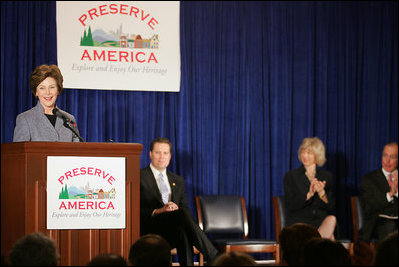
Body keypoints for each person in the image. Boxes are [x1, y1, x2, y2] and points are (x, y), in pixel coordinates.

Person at [140, 137, 219, 266]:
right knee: (182, 216)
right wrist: (160, 210)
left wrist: (174, 210)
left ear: (170, 156)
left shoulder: (178, 180)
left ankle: (208, 257)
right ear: (150, 154)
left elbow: (185, 208)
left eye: (165, 153)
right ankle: (213, 256)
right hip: (151, 228)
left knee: (183, 226)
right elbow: (134, 209)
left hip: (173, 229)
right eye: (157, 152)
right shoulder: (139, 176)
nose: (161, 157)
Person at [283, 137, 337, 240]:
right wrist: (309, 194)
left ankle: (315, 246)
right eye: (303, 152)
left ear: (317, 155)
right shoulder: (291, 176)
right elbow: (290, 205)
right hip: (300, 222)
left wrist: (322, 193)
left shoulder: (327, 177)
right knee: (330, 238)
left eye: (309, 153)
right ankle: (317, 246)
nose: (305, 156)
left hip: (320, 221)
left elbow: (331, 206)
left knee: (331, 219)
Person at [13, 64, 82, 142]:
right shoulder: (25, 119)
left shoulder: (69, 119)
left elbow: (77, 151)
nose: (48, 92)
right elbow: (20, 152)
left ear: (58, 90)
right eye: (42, 88)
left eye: (52, 87)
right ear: (36, 92)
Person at [360, 142, 398, 241]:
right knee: (390, 226)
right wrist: (390, 194)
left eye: (393, 157)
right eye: (385, 156)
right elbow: (368, 208)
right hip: (378, 223)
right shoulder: (369, 179)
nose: (388, 160)